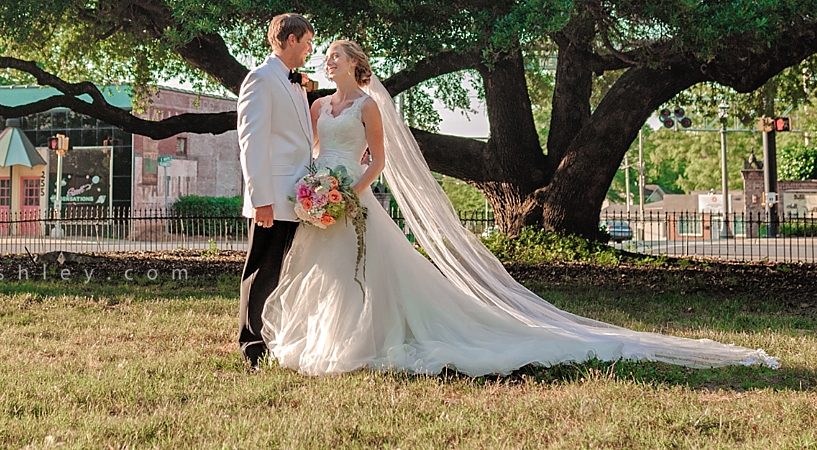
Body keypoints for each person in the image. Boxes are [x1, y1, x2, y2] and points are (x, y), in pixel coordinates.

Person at [260, 39, 779, 376]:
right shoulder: (316, 103)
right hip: (321, 197)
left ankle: (370, 338)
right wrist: (314, 187)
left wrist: (352, 190)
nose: (328, 62)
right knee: (324, 272)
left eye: (336, 56)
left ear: (356, 64)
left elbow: (380, 158)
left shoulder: (369, 105)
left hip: (355, 198)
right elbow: (312, 151)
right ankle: (325, 337)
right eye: (324, 56)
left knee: (371, 272)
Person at [236, 12, 316, 368]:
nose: (309, 51)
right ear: (290, 39)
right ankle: (252, 346)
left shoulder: (296, 83)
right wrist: (261, 200)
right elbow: (251, 142)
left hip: (296, 199)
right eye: (308, 43)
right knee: (262, 270)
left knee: (285, 272)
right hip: (272, 200)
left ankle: (275, 338)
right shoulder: (261, 79)